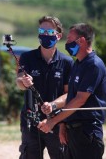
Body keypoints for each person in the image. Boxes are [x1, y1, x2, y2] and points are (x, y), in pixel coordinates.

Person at [38, 23, 106, 159]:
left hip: (87, 133)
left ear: (81, 40)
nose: (67, 43)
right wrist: (63, 126)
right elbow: (70, 97)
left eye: (70, 39)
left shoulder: (93, 65)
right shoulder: (78, 63)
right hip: (73, 132)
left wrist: (52, 122)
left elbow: (79, 100)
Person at [16, 15, 73, 159]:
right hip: (31, 121)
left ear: (58, 36)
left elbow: (69, 94)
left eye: (49, 32)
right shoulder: (27, 57)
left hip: (56, 121)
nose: (44, 35)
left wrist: (53, 105)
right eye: (41, 31)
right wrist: (24, 81)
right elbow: (19, 82)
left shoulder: (67, 62)